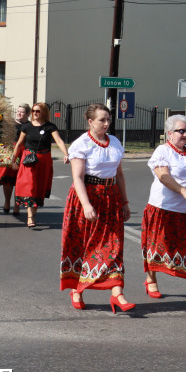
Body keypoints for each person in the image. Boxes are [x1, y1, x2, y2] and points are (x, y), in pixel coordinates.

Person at [60, 103, 133, 313]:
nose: (107, 124)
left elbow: (119, 175)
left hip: (110, 199)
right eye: (102, 120)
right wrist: (86, 204)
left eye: (108, 119)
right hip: (86, 196)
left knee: (114, 245)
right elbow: (78, 177)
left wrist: (125, 202)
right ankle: (76, 289)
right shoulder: (81, 144)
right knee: (82, 244)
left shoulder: (115, 142)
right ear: (90, 122)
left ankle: (117, 293)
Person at [141, 115, 186, 303]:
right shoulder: (162, 151)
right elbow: (163, 176)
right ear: (169, 133)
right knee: (157, 246)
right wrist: (184, 191)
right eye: (180, 131)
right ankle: (151, 280)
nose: (184, 134)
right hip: (163, 208)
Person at [11, 103, 68, 228]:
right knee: (30, 185)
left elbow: (58, 140)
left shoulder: (50, 127)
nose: (35, 113)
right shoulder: (26, 127)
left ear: (44, 113)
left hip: (44, 159)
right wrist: (13, 159)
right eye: (33, 111)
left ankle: (33, 214)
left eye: (38, 111)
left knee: (39, 188)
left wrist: (66, 154)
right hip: (28, 159)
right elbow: (20, 144)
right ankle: (30, 217)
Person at [0, 103, 30, 214]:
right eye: (18, 111)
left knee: (20, 181)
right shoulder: (10, 124)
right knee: (7, 179)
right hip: (10, 151)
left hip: (24, 153)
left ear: (28, 114)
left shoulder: (30, 125)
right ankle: (7, 201)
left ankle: (17, 205)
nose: (19, 113)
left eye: (22, 112)